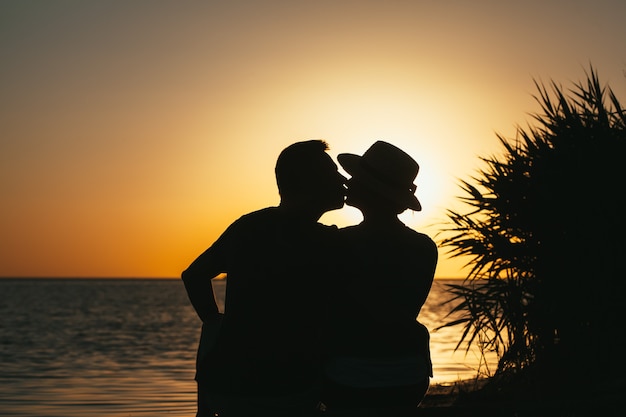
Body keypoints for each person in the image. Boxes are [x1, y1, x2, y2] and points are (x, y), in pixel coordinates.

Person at [181, 140, 346, 417]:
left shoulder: (247, 226)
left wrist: (215, 323)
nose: (343, 180)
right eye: (333, 174)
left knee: (213, 326)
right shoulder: (329, 242)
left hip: (227, 391)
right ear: (310, 183)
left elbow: (194, 275)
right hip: (291, 393)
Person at [321, 141, 438, 414]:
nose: (349, 182)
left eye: (356, 179)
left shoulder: (338, 242)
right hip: (410, 376)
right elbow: (405, 311)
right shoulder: (424, 246)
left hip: (345, 377)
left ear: (372, 191)